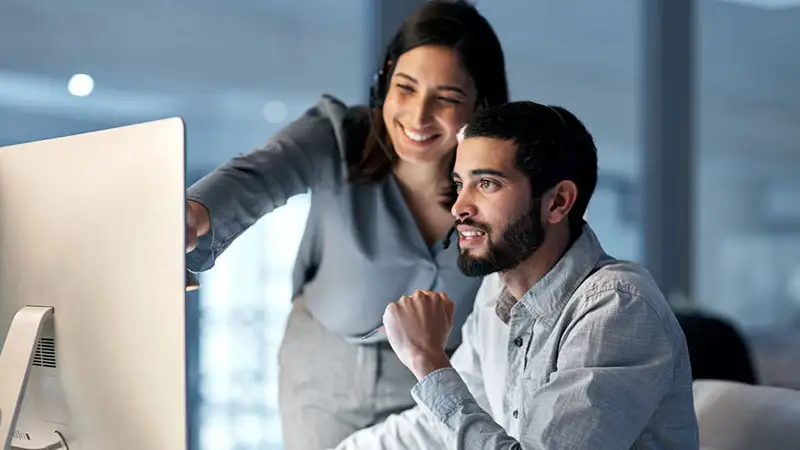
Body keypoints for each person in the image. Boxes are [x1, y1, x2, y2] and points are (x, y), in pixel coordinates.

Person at [183, 2, 509, 449]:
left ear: (482, 104)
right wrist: (197, 212)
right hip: (327, 374)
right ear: (384, 82)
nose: (417, 117)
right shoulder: (337, 136)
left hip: (438, 374)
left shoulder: (499, 186)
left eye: (447, 98)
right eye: (406, 88)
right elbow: (259, 174)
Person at [332, 101, 700, 449]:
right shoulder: (497, 293)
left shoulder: (616, 307)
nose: (459, 206)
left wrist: (428, 361)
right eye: (460, 184)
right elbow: (432, 427)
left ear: (557, 203)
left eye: (487, 183)